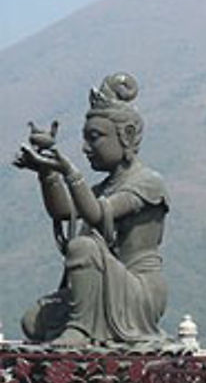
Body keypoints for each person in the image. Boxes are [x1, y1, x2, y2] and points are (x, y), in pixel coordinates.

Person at [14, 73, 170, 344]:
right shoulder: (104, 187)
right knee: (33, 321)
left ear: (127, 135)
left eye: (94, 138)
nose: (86, 148)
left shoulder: (148, 183)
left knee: (83, 246)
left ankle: (82, 329)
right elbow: (64, 211)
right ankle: (80, 324)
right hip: (101, 284)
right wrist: (47, 173)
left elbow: (96, 213)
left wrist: (70, 171)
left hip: (137, 289)